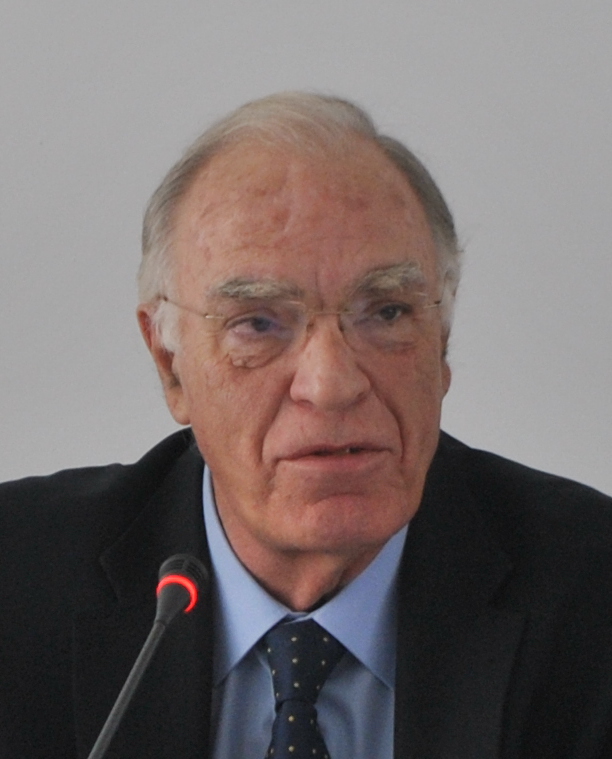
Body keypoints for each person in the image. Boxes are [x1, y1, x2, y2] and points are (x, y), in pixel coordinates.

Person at [1, 92, 611, 759]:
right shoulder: (17, 583)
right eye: (258, 322)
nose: (331, 384)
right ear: (170, 364)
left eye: (387, 312)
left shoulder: (593, 593)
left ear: (441, 343)